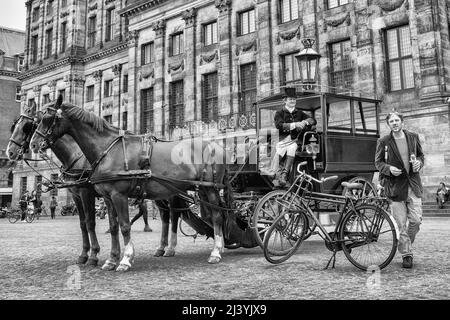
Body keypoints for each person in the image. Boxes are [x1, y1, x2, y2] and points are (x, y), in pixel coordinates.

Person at [375, 111, 424, 269]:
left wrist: (419, 163)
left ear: (402, 122)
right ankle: (406, 254)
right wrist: (388, 169)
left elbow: (421, 155)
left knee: (416, 221)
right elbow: (378, 163)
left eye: (397, 120)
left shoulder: (413, 136)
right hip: (395, 187)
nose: (395, 123)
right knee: (401, 224)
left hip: (413, 184)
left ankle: (405, 244)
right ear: (388, 124)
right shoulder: (384, 141)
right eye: (391, 121)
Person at [273, 87, 316, 187]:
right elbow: (279, 125)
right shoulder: (279, 113)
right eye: (290, 99)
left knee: (292, 147)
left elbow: (313, 120)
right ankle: (276, 173)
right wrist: (295, 124)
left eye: (294, 99)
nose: (292, 101)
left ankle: (284, 174)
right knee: (280, 147)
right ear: (285, 100)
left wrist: (304, 122)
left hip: (296, 141)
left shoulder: (300, 113)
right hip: (283, 140)